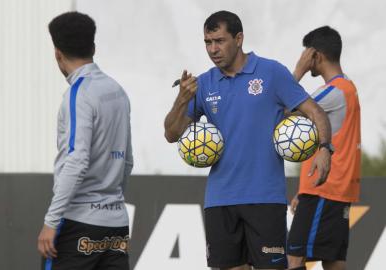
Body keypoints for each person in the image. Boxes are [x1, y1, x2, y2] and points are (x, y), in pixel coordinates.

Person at [164, 11, 332, 270]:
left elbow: (316, 112)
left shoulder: (271, 72)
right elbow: (171, 134)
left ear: (239, 38)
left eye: (219, 40)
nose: (213, 49)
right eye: (208, 42)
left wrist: (324, 148)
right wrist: (182, 100)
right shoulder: (204, 83)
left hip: (265, 197)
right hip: (220, 200)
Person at [37, 12, 133, 270]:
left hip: (78, 223)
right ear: (93, 47)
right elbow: (127, 162)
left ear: (57, 53)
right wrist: (111, 204)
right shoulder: (117, 90)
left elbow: (76, 160)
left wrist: (51, 221)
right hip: (116, 225)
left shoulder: (78, 94)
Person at [287, 26, 361, 270]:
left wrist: (297, 71)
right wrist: (303, 190)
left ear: (315, 55)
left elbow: (284, 108)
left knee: (294, 258)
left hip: (324, 189)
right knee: (333, 262)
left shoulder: (333, 92)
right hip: (335, 190)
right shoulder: (347, 88)